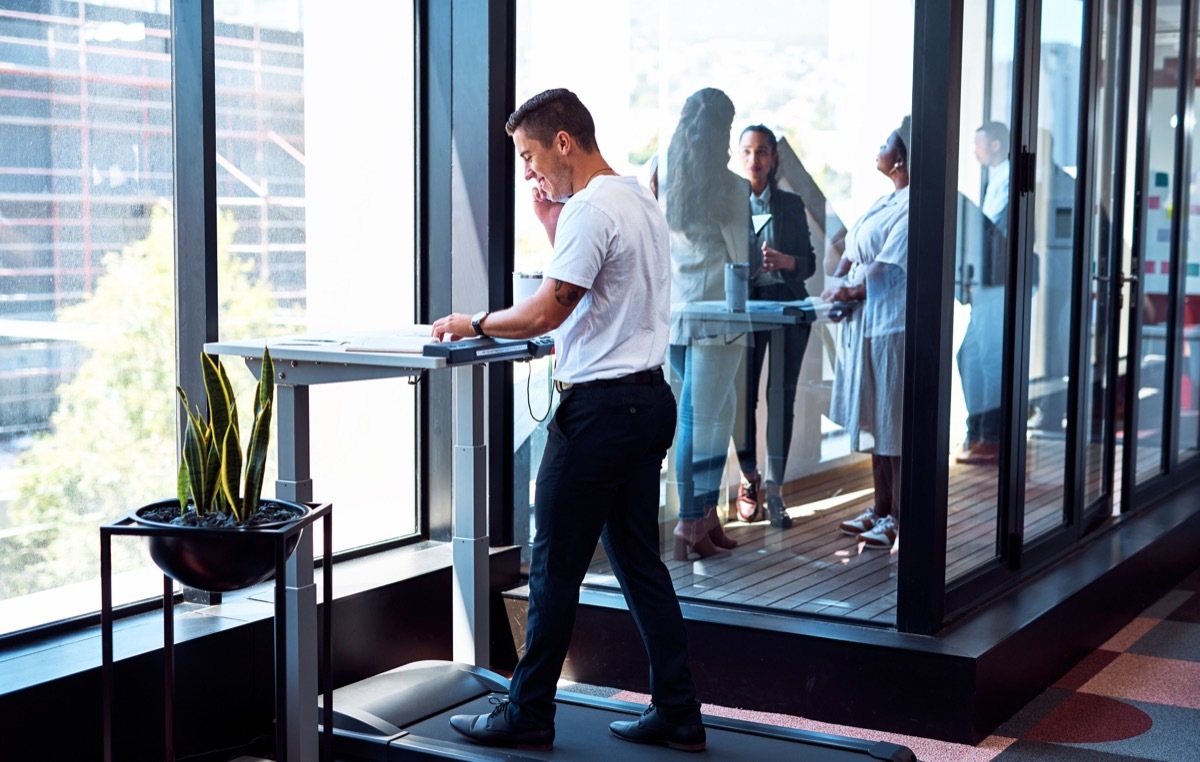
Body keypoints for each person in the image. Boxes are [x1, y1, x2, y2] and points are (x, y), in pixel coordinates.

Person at [434, 88, 705, 752]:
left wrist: (472, 322)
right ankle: (678, 710)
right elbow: (601, 292)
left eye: (529, 155)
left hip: (601, 413)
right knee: (641, 563)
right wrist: (552, 226)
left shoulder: (591, 209)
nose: (528, 170)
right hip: (648, 402)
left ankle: (526, 713)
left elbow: (546, 314)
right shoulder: (637, 197)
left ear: (563, 142)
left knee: (555, 565)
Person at [664, 88, 749, 558]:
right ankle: (688, 526)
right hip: (718, 318)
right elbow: (740, 258)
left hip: (676, 317)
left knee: (719, 410)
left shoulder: (663, 173)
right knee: (700, 419)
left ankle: (705, 515)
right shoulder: (732, 188)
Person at [822, 117, 911, 550]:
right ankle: (880, 507)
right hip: (865, 322)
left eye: (885, 145)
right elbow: (852, 245)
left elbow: (887, 269)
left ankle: (897, 516)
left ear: (900, 158)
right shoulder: (884, 200)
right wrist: (837, 286)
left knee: (892, 423)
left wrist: (849, 290)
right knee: (876, 420)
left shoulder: (916, 206)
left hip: (891, 324)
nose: (878, 149)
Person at [732, 125, 817, 528]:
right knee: (742, 402)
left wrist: (786, 262)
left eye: (762, 151)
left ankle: (777, 493)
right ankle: (750, 479)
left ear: (773, 157)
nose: (755, 160)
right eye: (748, 151)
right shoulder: (728, 201)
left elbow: (810, 262)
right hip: (745, 314)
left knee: (781, 399)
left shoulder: (790, 203)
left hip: (787, 313)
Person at [956, 121, 1010, 465]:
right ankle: (977, 432)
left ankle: (990, 438)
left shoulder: (1009, 182)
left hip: (995, 285)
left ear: (993, 145)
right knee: (968, 357)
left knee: (989, 360)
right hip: (986, 284)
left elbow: (993, 235)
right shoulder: (995, 181)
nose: (974, 152)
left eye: (978, 145)